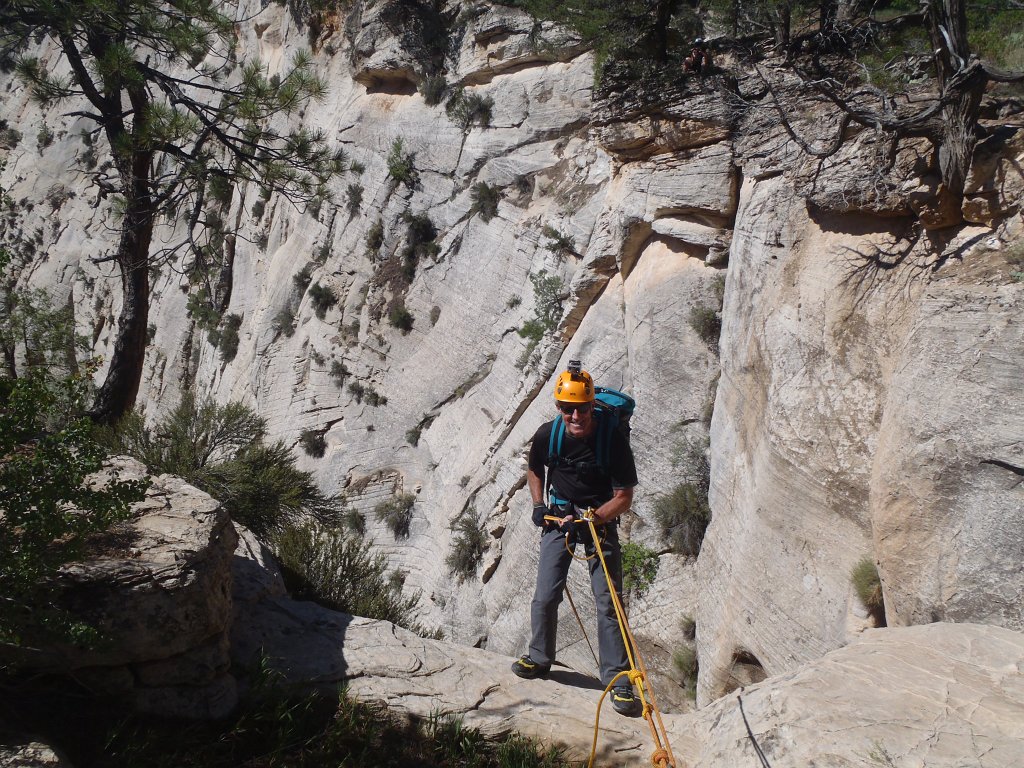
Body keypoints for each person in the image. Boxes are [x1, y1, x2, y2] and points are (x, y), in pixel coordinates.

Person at [510, 361, 640, 716]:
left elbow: (624, 496)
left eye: (581, 407)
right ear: (558, 408)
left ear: (590, 405)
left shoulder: (611, 440)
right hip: (559, 518)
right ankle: (539, 657)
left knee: (608, 602)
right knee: (545, 594)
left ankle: (619, 682)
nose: (575, 415)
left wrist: (593, 519)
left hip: (599, 522)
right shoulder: (547, 434)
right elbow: (535, 468)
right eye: (567, 408)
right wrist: (538, 504)